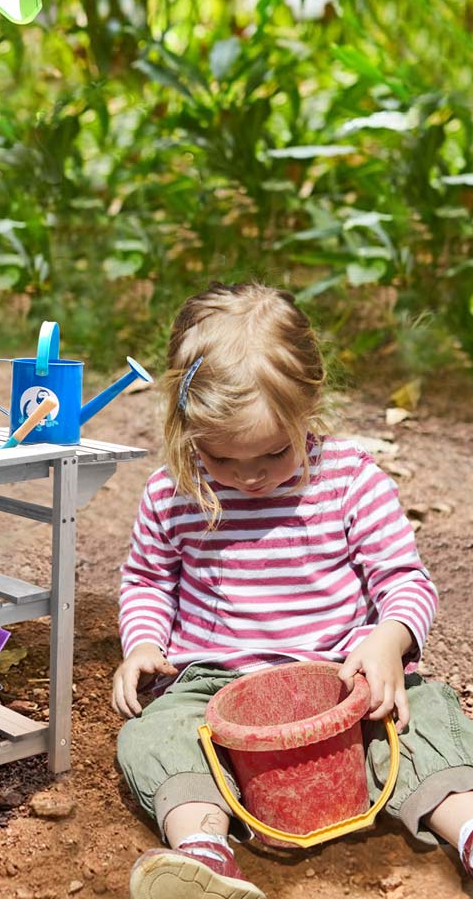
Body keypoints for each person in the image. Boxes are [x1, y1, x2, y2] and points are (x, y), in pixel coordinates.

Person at [113, 282, 473, 899]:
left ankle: (466, 827)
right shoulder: (171, 493)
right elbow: (148, 580)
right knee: (155, 733)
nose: (247, 477)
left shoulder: (351, 481)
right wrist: (143, 643)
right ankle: (203, 851)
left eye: (273, 453)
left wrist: (391, 638)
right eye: (221, 461)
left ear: (309, 405)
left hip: (344, 677)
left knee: (427, 715)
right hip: (218, 686)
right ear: (186, 426)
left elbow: (404, 579)